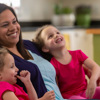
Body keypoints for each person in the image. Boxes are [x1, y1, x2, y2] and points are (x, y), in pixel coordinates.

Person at [0, 3, 66, 100]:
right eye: (5, 25)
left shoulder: (28, 45)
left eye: (14, 22)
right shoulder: (3, 58)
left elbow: (58, 55)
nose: (13, 28)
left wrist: (89, 67)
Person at [33, 25, 100, 99]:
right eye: (50, 36)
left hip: (86, 92)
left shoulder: (78, 54)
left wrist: (93, 81)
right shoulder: (52, 65)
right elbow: (56, 88)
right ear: (45, 48)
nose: (56, 35)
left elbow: (96, 67)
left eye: (58, 32)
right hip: (70, 97)